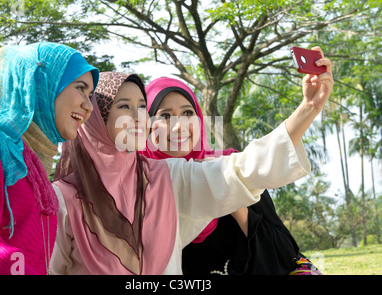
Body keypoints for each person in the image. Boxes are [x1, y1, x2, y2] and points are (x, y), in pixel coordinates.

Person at [49, 70, 314, 275]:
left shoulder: (163, 178)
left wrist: (308, 108)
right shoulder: (63, 199)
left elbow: (243, 169)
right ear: (95, 119)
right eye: (124, 107)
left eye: (142, 107)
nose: (139, 117)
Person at [140, 74, 325, 275]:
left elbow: (283, 250)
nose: (179, 126)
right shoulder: (139, 183)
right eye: (166, 116)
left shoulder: (229, 167)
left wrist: (231, 196)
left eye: (187, 113)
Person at [0, 42, 99, 275]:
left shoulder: (31, 163)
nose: (88, 106)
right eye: (80, 88)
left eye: (90, 95)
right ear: (40, 83)